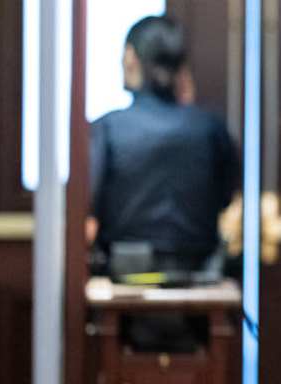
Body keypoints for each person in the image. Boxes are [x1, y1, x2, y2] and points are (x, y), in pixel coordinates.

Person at [89, 16, 238, 351]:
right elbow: (226, 198)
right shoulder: (212, 130)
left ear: (131, 58)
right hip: (200, 286)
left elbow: (89, 208)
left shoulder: (107, 130)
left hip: (122, 292)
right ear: (180, 68)